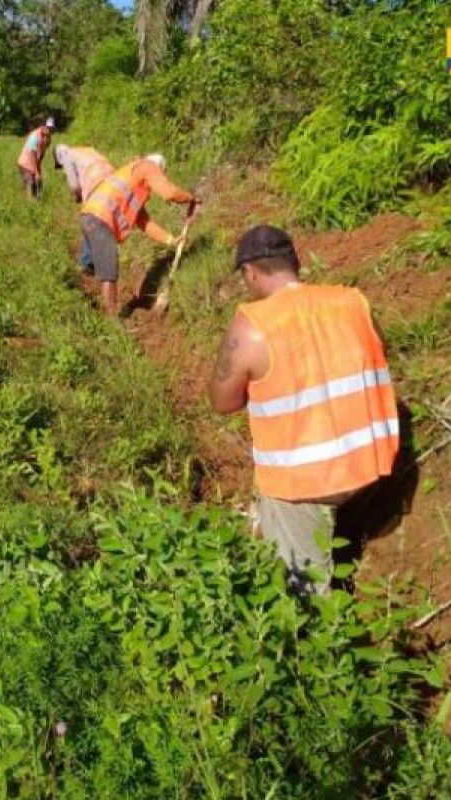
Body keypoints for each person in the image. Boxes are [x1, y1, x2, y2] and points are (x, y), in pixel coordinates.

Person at [208, 225, 400, 595]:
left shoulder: (251, 327)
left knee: (304, 595)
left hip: (305, 483)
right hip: (370, 467)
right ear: (294, 262)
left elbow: (222, 402)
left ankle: (316, 635)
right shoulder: (353, 302)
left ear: (250, 272)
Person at [79, 153, 198, 314]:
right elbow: (168, 193)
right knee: (109, 271)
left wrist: (171, 240)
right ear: (159, 168)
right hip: (101, 218)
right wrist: (190, 198)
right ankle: (112, 319)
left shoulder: (133, 180)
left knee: (103, 267)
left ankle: (84, 295)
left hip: (90, 215)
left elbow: (144, 223)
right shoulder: (148, 167)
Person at [53, 144, 114, 272]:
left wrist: (77, 197)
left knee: (89, 221)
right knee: (104, 219)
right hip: (112, 177)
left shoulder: (67, 157)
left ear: (59, 158)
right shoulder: (86, 150)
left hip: (94, 181)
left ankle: (87, 262)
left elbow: (74, 185)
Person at [16, 117, 55, 199]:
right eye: (48, 128)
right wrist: (36, 172)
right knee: (31, 182)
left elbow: (42, 153)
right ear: (44, 126)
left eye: (52, 129)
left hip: (33, 162)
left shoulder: (48, 138)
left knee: (39, 181)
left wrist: (39, 168)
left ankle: (38, 199)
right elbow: (32, 155)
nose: (49, 131)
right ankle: (31, 204)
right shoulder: (34, 137)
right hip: (25, 163)